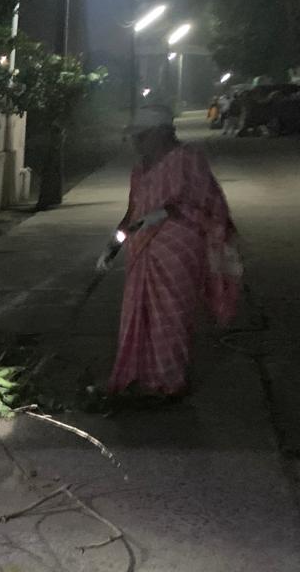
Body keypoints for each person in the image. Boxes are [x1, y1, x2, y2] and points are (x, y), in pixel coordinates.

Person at [96, 104, 241, 399]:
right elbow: (133, 214)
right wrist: (113, 245)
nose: (137, 143)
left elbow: (208, 204)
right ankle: (140, 376)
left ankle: (170, 383)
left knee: (170, 317)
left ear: (162, 132)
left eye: (142, 136)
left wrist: (168, 212)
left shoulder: (188, 159)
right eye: (135, 137)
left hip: (178, 250)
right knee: (140, 316)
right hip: (143, 251)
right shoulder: (140, 171)